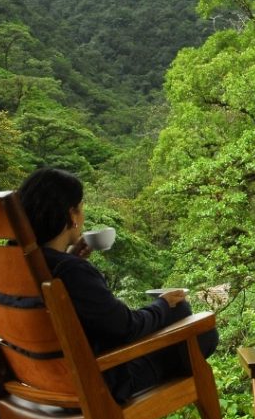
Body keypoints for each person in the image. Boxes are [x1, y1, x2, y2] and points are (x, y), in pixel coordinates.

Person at [16, 167, 218, 402]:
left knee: (176, 317)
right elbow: (124, 328)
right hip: (99, 386)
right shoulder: (70, 271)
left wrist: (71, 257)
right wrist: (163, 305)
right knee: (193, 324)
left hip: (37, 384)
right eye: (81, 208)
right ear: (71, 215)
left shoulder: (16, 268)